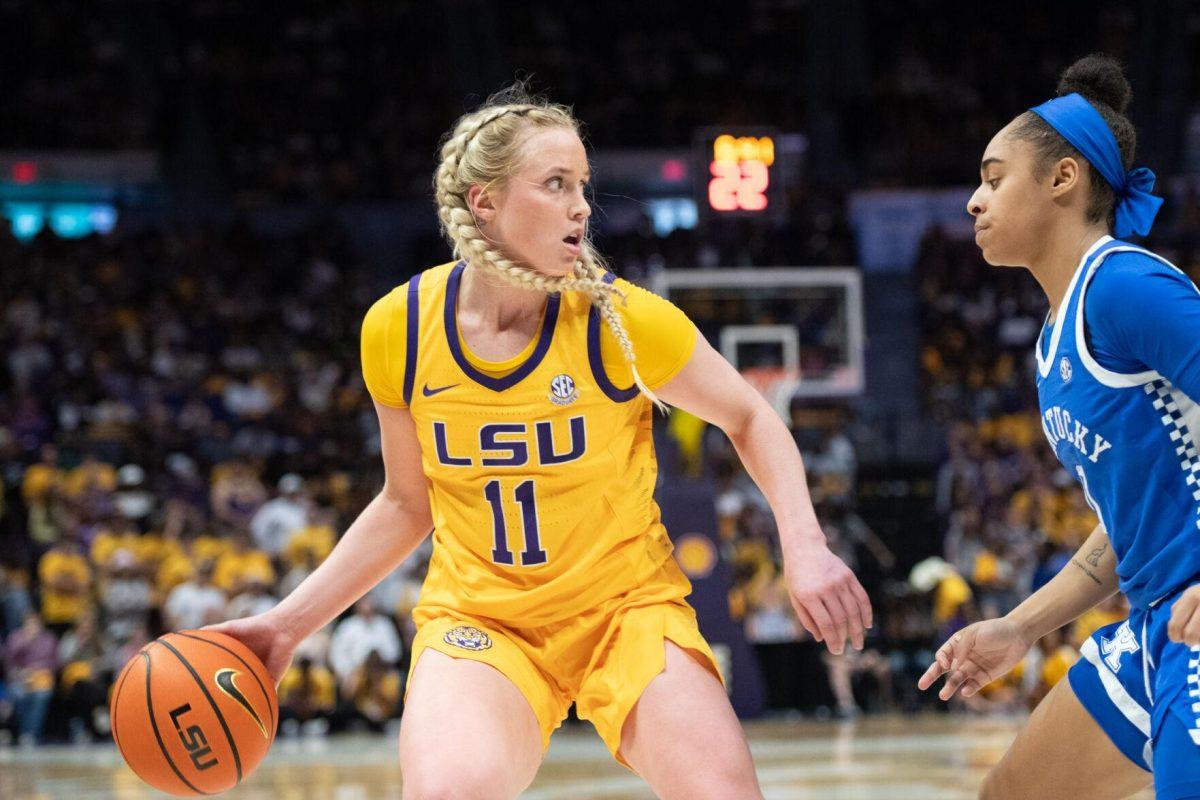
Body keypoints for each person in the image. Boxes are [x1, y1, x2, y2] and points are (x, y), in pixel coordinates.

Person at [210, 85, 871, 800]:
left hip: (626, 612)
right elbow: (407, 504)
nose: (582, 206)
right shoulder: (397, 331)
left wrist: (802, 544)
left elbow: (751, 416)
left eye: (583, 185)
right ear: (483, 203)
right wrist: (285, 626)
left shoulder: (619, 319)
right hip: (484, 621)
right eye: (555, 184)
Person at [919, 55, 1200, 800]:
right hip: (1152, 626)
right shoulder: (1055, 340)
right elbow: (1130, 525)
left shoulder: (1125, 285)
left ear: (1063, 179)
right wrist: (1019, 627)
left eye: (993, 176)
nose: (974, 201)